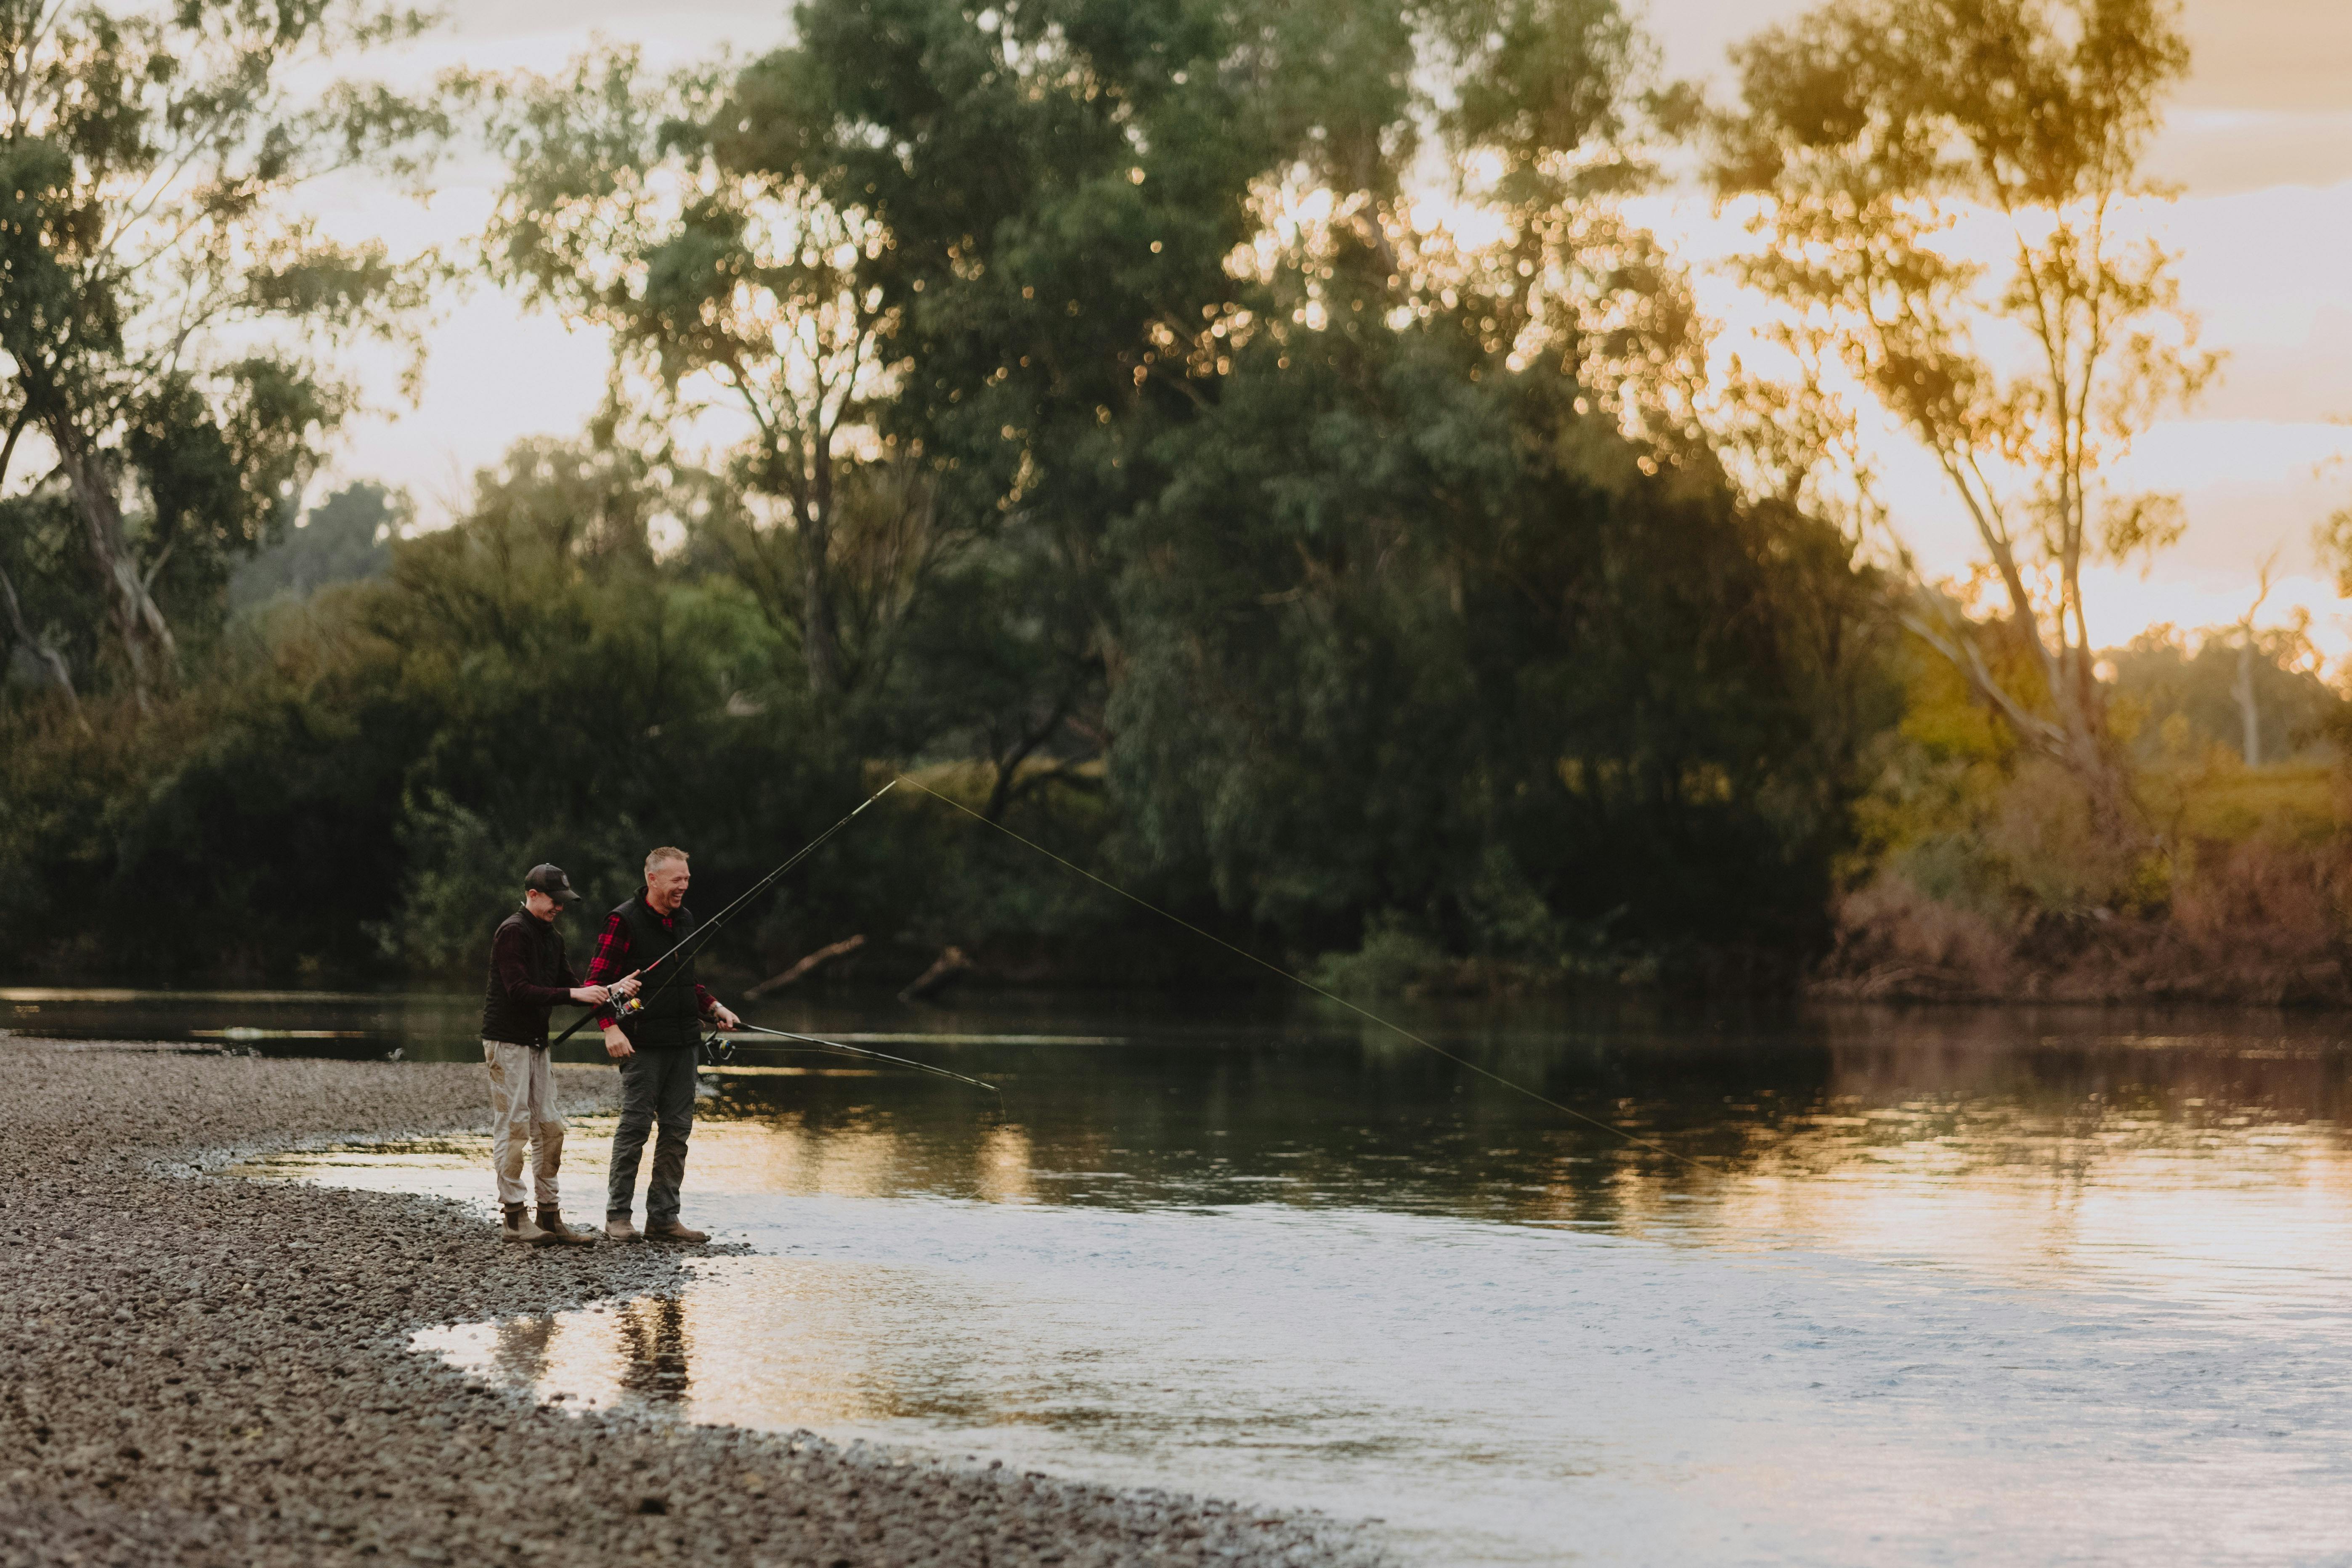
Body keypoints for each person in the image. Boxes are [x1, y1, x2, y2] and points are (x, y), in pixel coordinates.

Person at [585, 846, 740, 1242]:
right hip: (641, 1043)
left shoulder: (686, 919)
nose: (683, 887)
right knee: (635, 1128)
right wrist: (609, 1028)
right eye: (676, 880)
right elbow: (594, 984)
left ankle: (664, 1218)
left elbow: (687, 982)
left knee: (677, 1131)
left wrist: (716, 1007)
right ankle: (618, 1216)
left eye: (686, 879)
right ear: (652, 879)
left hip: (685, 1041)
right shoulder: (623, 921)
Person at [480, 864, 639, 1245]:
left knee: (551, 1126)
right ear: (533, 895)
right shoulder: (512, 932)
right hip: (506, 1042)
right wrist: (576, 994)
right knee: (514, 1125)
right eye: (555, 901)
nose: (560, 908)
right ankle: (514, 1218)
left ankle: (549, 1215)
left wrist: (611, 988)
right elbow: (519, 990)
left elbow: (573, 986)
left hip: (537, 1042)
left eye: (563, 902)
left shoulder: (553, 937)